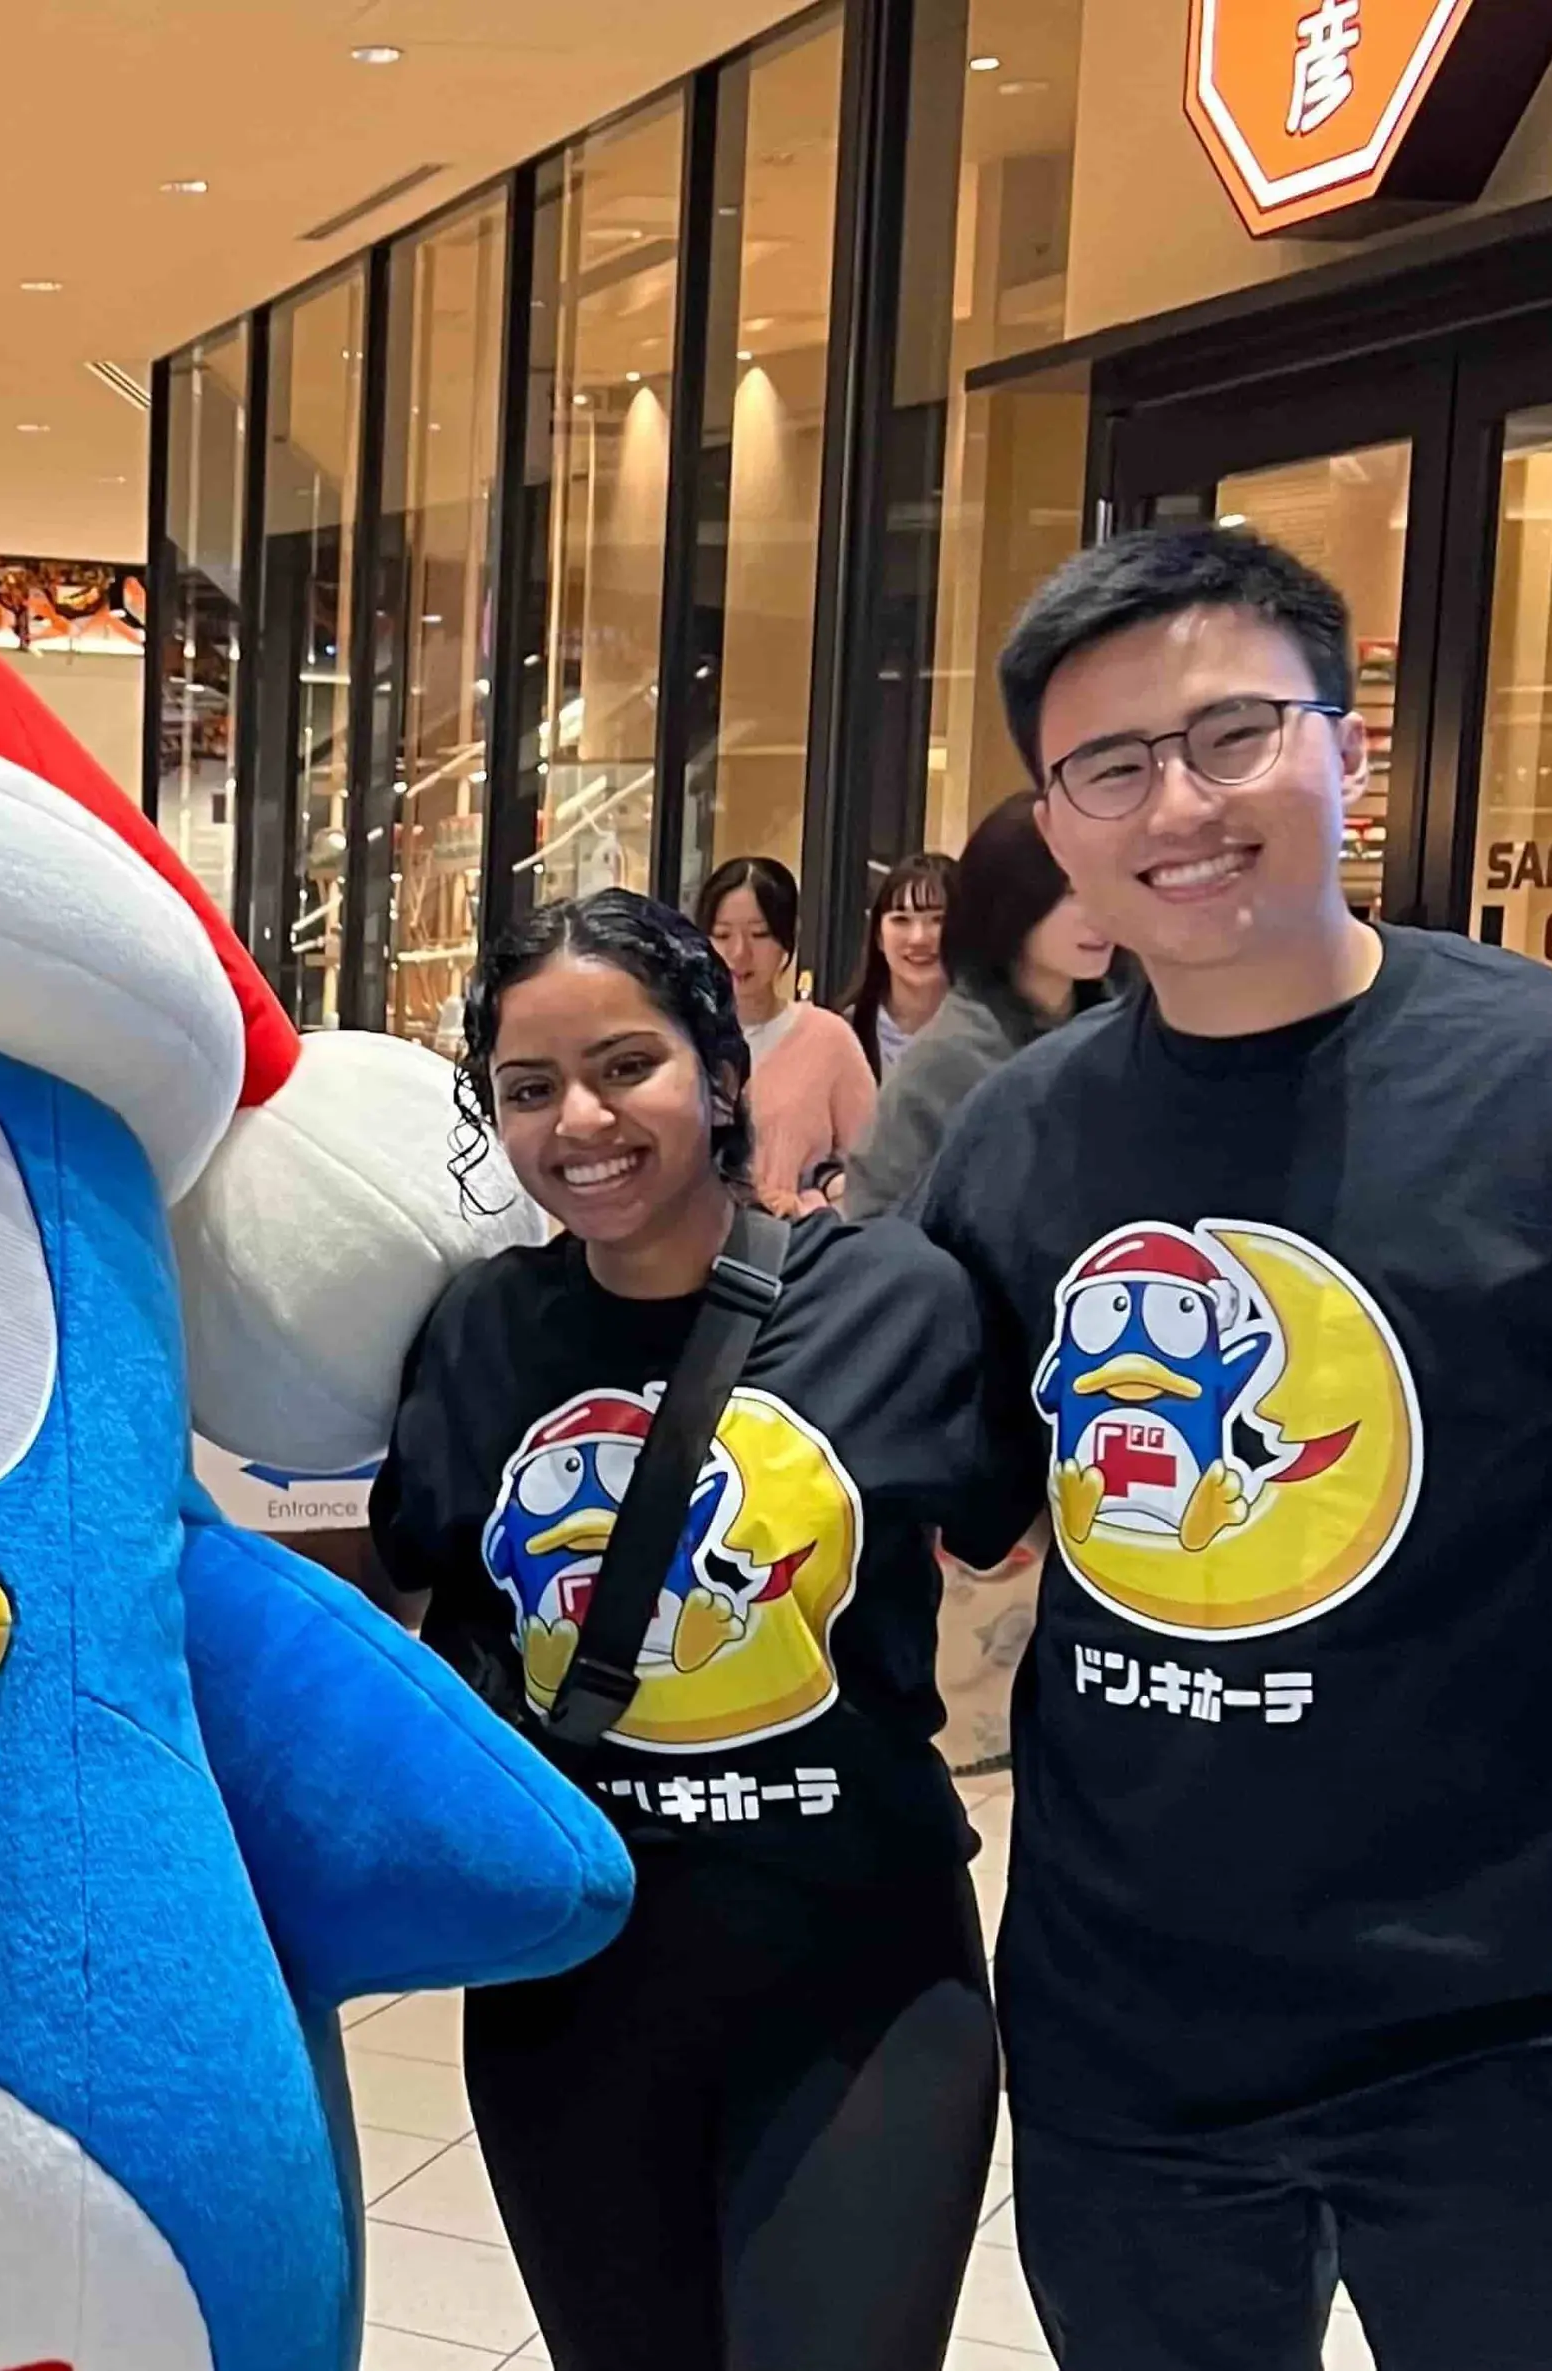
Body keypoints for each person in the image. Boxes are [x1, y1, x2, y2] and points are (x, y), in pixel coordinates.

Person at [905, 524, 1552, 2371]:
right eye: (1108, 767)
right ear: (1058, 817)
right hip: (1135, 2028)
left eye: (1231, 735)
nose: (1175, 805)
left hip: (1517, 2024)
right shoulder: (1019, 1146)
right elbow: (964, 1514)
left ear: (1346, 742)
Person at [375, 888, 1004, 2371]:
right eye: (528, 1088)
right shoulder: (481, 1330)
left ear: (720, 1072)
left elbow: (1006, 1520)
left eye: (624, 1063)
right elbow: (413, 1595)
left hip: (859, 1979)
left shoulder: (893, 1303)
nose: (580, 1117)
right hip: (572, 1987)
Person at [841, 797, 1113, 1221]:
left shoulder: (1121, 1031)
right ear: (1015, 902)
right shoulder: (948, 1059)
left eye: (1104, 884)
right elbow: (874, 1222)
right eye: (1071, 893)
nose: (1099, 912)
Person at [695, 854, 874, 1216]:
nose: (738, 953)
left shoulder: (829, 1039)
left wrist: (820, 1207)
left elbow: (874, 1171)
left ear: (787, 935)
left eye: (759, 934)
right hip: (693, 1245)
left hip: (795, 1247)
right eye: (722, 934)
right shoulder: (684, 1035)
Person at [838, 849, 957, 1077]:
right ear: (879, 936)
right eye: (901, 920)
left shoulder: (995, 1035)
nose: (919, 938)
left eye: (938, 919)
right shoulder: (842, 1034)